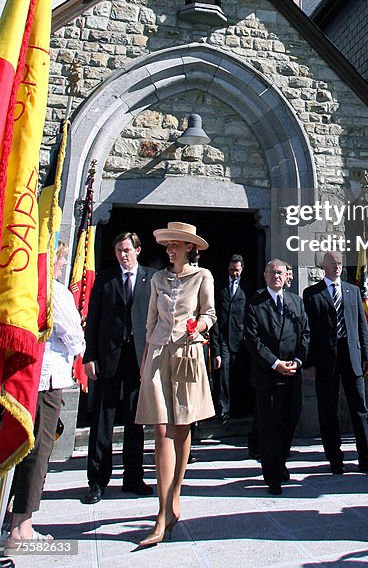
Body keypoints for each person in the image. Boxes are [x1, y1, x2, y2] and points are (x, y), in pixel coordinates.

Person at [135, 222, 216, 546]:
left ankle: (175, 495)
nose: (169, 249)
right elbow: (151, 321)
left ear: (188, 247)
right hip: (157, 353)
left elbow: (210, 313)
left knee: (182, 427)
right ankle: (162, 512)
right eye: (167, 244)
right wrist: (145, 359)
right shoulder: (157, 278)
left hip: (186, 353)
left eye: (175, 244)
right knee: (160, 429)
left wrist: (200, 326)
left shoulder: (203, 276)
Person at [5, 242, 85, 551]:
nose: (63, 265)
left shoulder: (21, 285)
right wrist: (78, 349)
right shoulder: (54, 292)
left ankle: (12, 514)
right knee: (38, 451)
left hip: (20, 381)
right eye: (61, 259)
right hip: (46, 378)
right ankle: (21, 526)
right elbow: (74, 335)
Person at [82, 232, 152, 504]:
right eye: (119, 251)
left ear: (138, 250)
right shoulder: (105, 279)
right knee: (103, 418)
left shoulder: (151, 278)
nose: (123, 255)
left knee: (136, 420)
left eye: (127, 250)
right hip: (108, 357)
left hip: (138, 358)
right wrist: (90, 356)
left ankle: (133, 477)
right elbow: (93, 319)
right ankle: (97, 481)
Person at [303, 251, 368, 474]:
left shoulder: (352, 291)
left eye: (339, 263)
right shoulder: (312, 294)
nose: (337, 266)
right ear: (324, 266)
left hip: (352, 356)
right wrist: (309, 362)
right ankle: (335, 459)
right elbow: (308, 331)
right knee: (328, 409)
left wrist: (367, 356)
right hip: (326, 359)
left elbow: (361, 325)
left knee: (359, 408)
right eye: (333, 263)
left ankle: (366, 457)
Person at [244, 259, 309, 494]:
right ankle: (272, 475)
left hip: (292, 372)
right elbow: (252, 339)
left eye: (280, 272)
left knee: (290, 419)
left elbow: (305, 333)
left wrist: (298, 361)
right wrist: (275, 363)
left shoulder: (296, 302)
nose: (276, 276)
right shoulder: (255, 303)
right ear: (265, 275)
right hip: (268, 374)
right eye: (272, 272)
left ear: (286, 275)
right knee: (269, 426)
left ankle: (280, 461)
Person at [212, 253, 247, 422]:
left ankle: (239, 408)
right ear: (228, 269)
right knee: (223, 373)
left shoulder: (247, 287)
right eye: (232, 270)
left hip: (241, 339)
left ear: (242, 269)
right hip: (224, 336)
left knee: (239, 373)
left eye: (237, 270)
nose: (235, 273)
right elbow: (215, 315)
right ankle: (223, 409)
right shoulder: (220, 287)